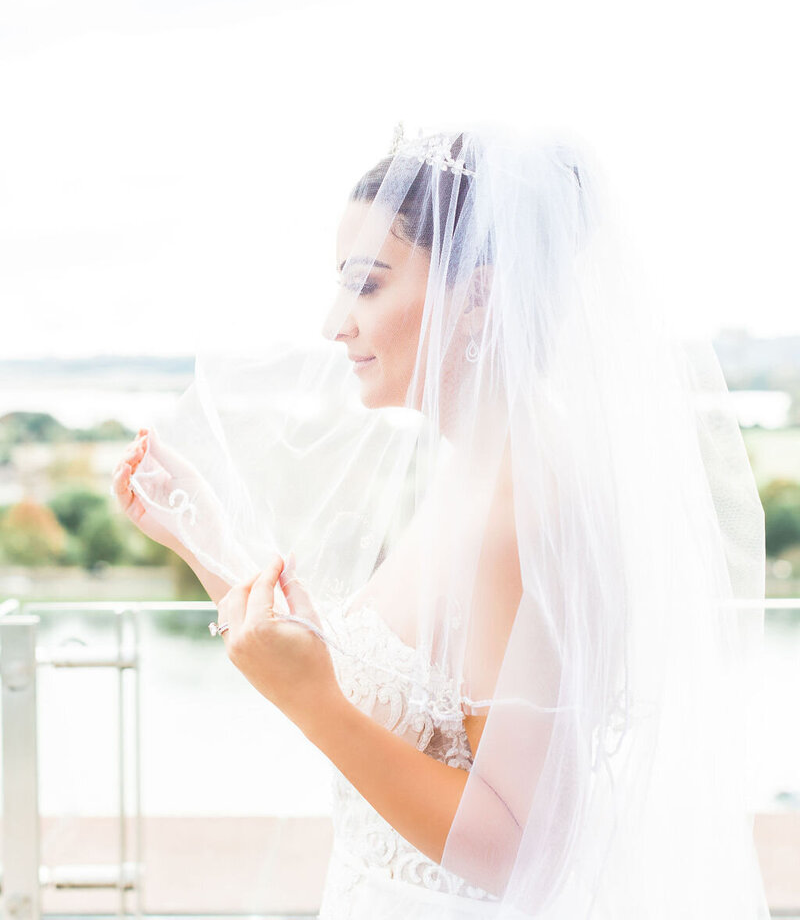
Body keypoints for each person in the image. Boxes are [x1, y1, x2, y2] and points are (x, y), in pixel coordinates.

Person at [112, 123, 769, 919]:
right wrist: (199, 533)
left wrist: (309, 701)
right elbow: (381, 702)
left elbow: (516, 848)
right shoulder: (475, 462)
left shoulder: (525, 499)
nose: (335, 322)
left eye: (368, 284)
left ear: (482, 294)